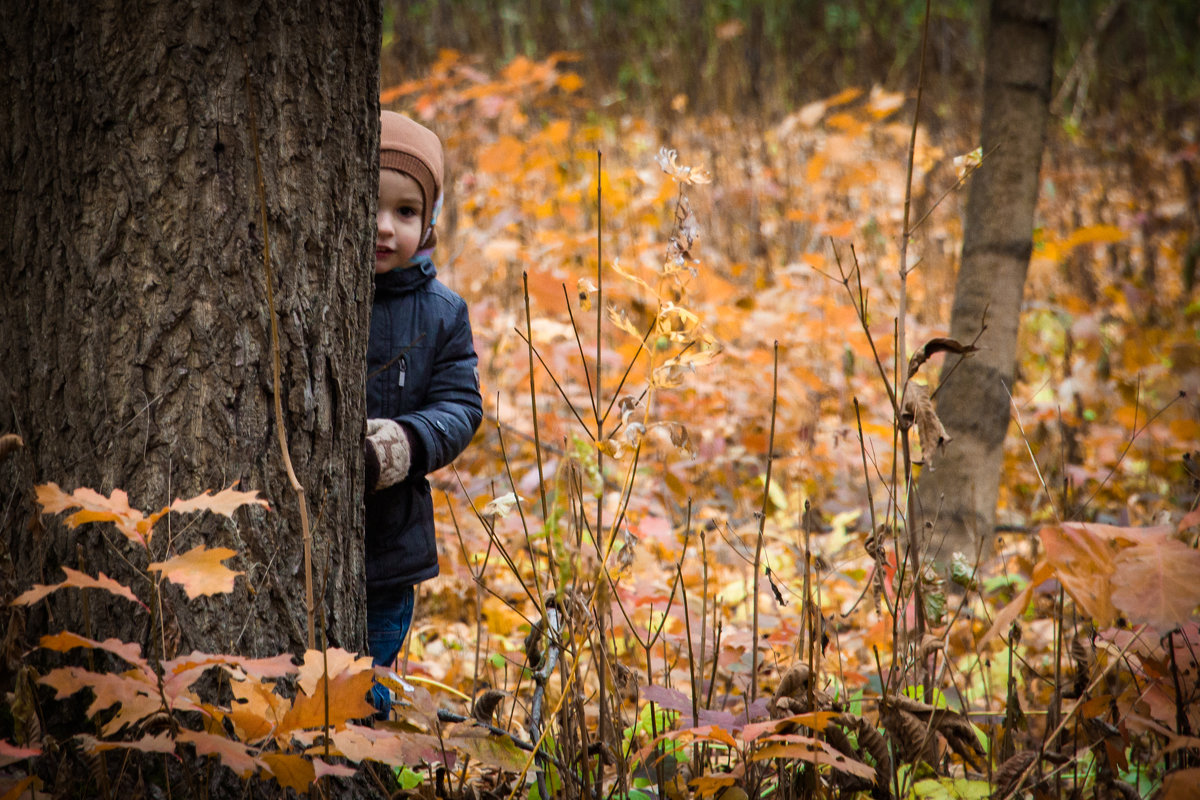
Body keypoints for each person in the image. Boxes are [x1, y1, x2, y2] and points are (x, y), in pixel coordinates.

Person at [364, 111, 483, 716]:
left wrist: (405, 443)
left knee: (367, 694)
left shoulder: (442, 312)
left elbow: (461, 405)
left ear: (429, 221)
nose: (385, 228)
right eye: (371, 204)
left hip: (389, 550)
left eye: (406, 212)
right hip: (304, 542)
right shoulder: (321, 292)